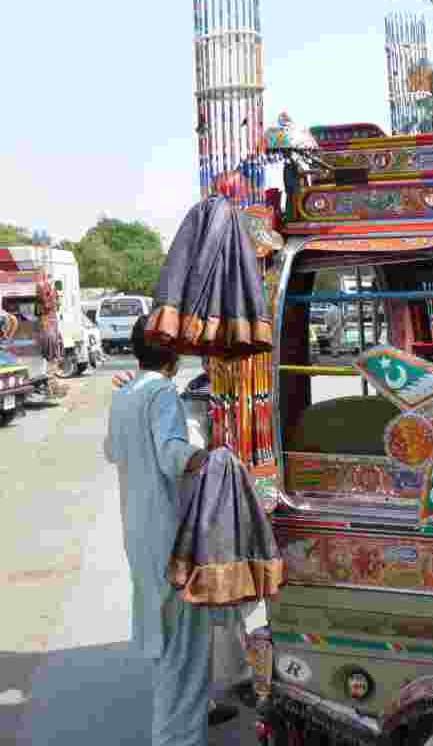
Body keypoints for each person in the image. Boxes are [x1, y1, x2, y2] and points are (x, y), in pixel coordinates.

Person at [104, 316, 211, 746]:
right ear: (172, 350)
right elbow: (172, 456)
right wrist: (214, 457)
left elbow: (113, 449)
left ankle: (176, 729)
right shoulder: (162, 391)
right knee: (183, 653)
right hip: (170, 536)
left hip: (141, 534)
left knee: (168, 645)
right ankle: (177, 738)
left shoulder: (127, 393)